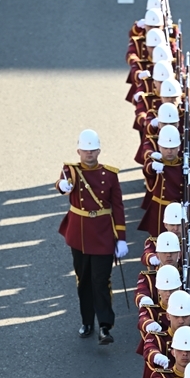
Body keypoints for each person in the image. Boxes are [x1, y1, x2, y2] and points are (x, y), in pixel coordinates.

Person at [56, 129, 128, 345]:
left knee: (101, 280)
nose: (89, 153)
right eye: (85, 150)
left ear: (99, 151)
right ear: (78, 151)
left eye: (93, 150)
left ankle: (105, 326)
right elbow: (64, 181)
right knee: (84, 280)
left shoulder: (110, 175)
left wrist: (121, 237)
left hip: (103, 233)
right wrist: (62, 186)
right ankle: (87, 321)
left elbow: (117, 206)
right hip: (79, 234)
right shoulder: (72, 170)